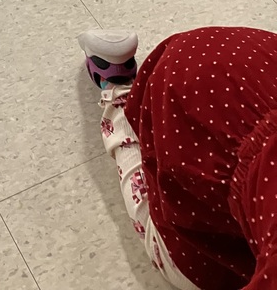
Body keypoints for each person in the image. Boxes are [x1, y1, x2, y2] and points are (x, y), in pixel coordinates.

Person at [78, 27, 277, 289]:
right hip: (207, 114)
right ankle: (118, 95)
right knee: (160, 233)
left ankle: (124, 92)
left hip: (251, 60)